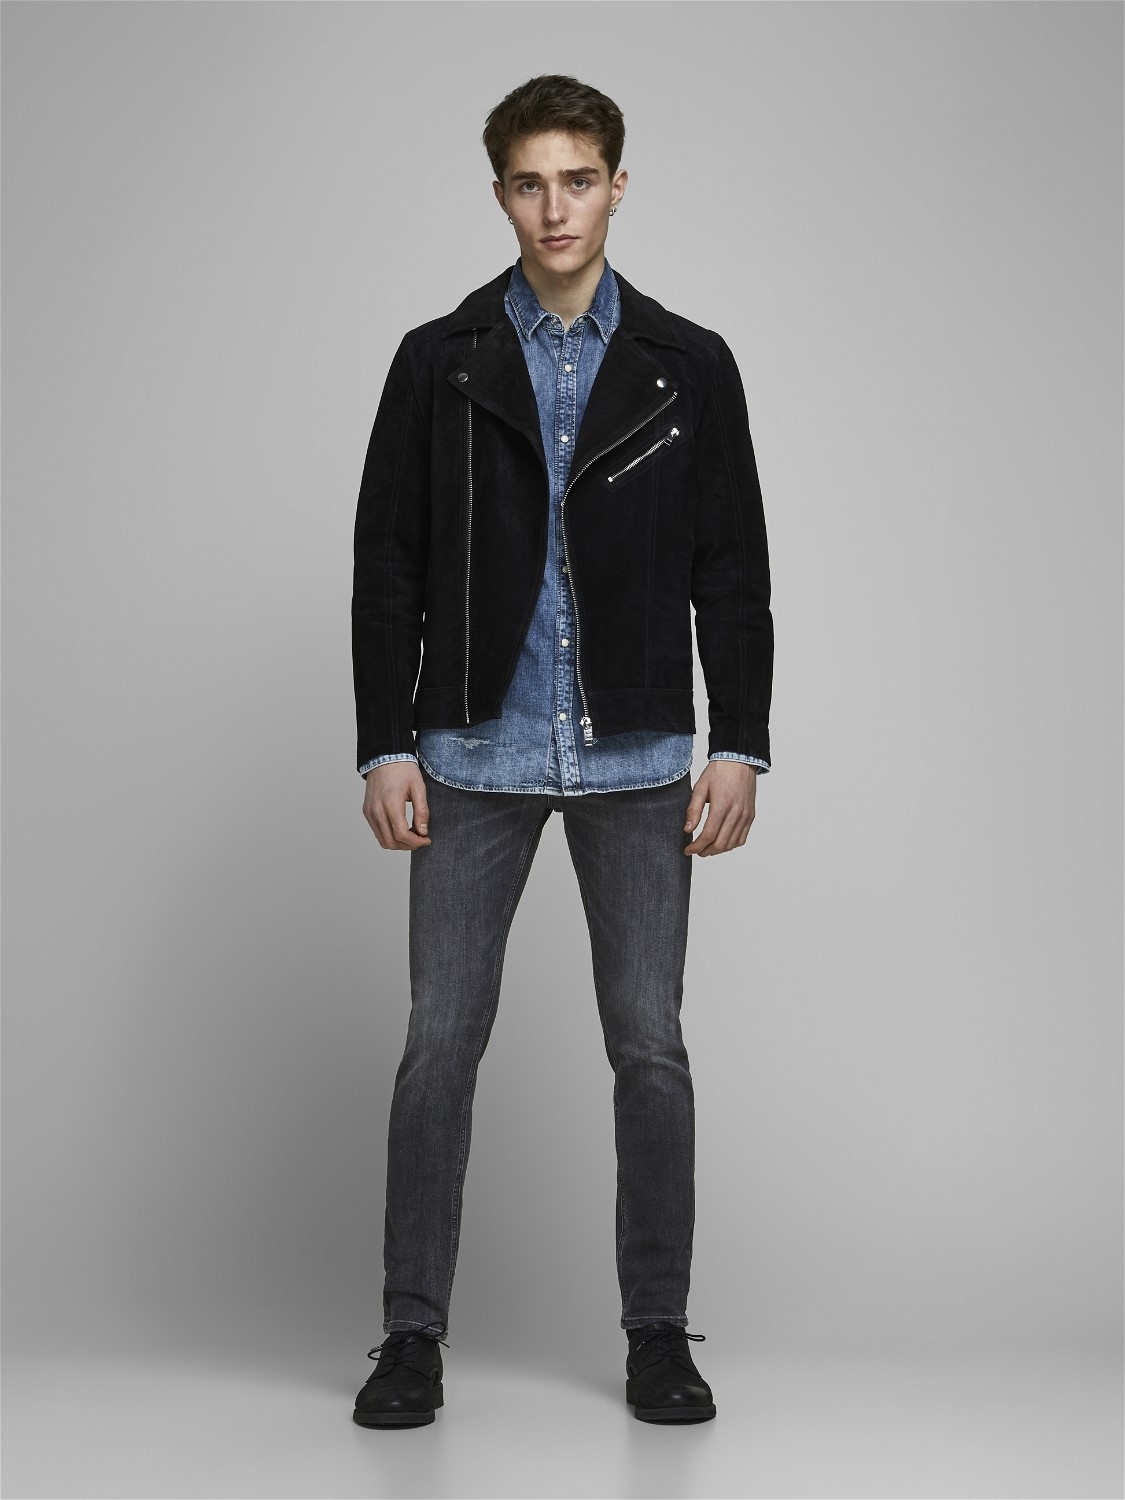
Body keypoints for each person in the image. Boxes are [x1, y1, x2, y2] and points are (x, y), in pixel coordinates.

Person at [350, 73, 773, 1428]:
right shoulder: (440, 358)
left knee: (650, 1046)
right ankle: (409, 1337)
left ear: (616, 187)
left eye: (577, 180)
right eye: (529, 183)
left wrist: (741, 742)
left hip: (636, 751)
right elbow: (387, 562)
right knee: (438, 1045)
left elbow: (731, 563)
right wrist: (384, 741)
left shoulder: (687, 363)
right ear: (500, 196)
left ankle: (657, 1334)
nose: (554, 208)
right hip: (470, 748)